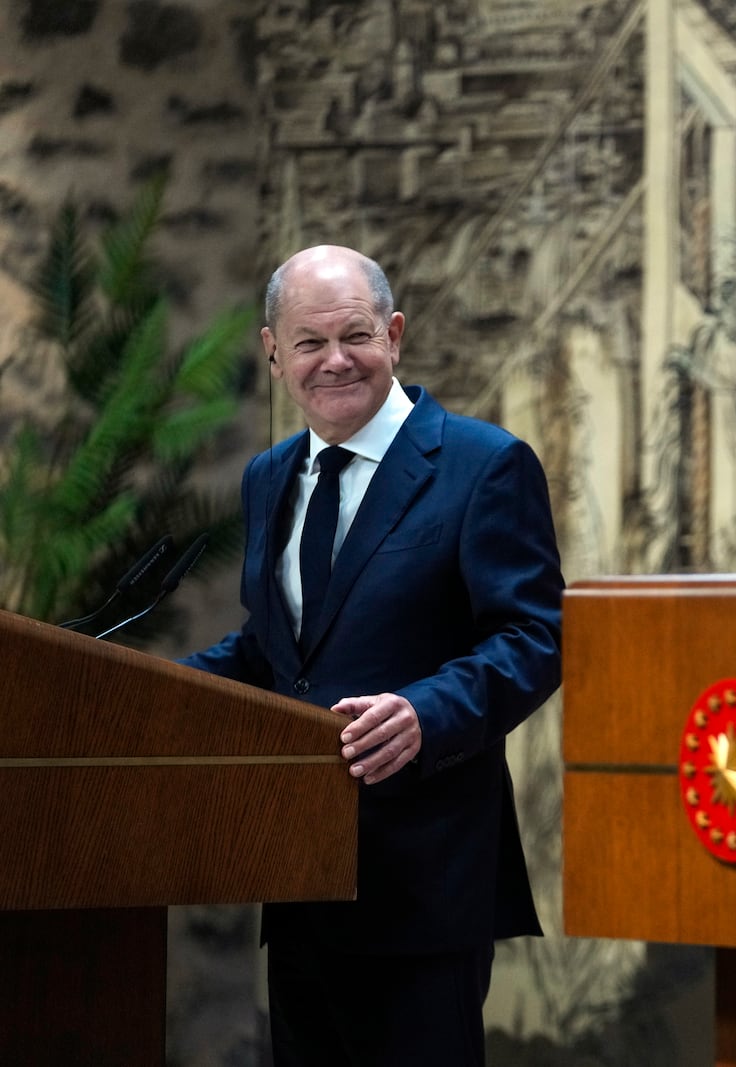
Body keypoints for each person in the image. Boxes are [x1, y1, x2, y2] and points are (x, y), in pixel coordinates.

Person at [182, 245, 564, 1066]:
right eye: (310, 343)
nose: (335, 361)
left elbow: (535, 636)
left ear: (393, 335)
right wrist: (149, 694)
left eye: (354, 335)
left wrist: (427, 711)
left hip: (426, 881)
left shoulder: (483, 464)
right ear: (274, 353)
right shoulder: (268, 476)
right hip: (302, 874)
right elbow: (276, 648)